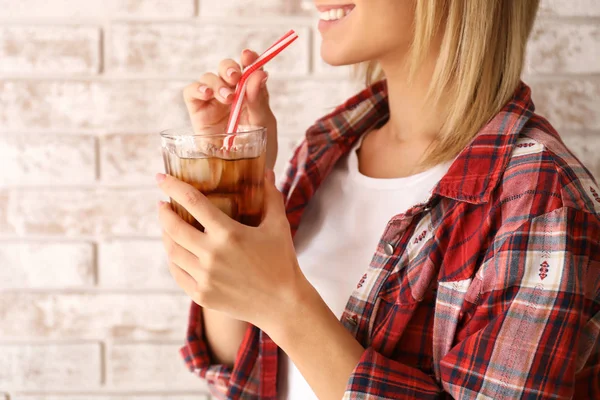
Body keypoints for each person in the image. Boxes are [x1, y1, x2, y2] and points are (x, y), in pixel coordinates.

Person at [155, 1, 600, 399]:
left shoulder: (543, 202)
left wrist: (285, 304)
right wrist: (236, 194)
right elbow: (241, 374)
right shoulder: (326, 150)